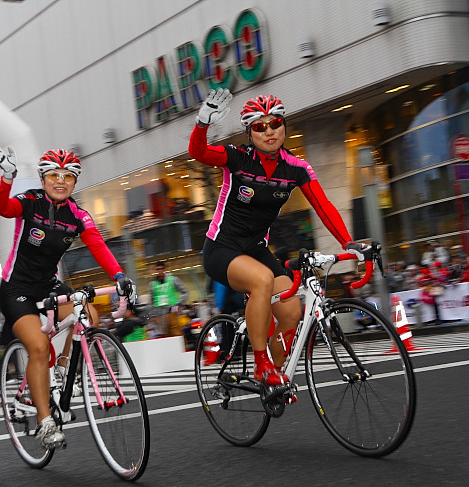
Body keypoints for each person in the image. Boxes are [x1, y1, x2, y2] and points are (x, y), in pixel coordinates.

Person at [189, 89, 365, 387]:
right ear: (250, 132)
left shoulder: (296, 169)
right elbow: (199, 152)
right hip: (222, 249)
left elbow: (323, 206)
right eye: (259, 126)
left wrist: (349, 243)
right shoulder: (237, 159)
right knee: (262, 280)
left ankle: (274, 377)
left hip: (256, 250)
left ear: (284, 125)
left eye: (275, 124)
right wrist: (203, 122)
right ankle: (260, 364)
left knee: (292, 311)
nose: (269, 131)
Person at [0, 141, 138, 449]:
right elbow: (1, 208)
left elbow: (98, 245)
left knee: (89, 314)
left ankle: (61, 369)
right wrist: (6, 177)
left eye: (68, 176)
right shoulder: (29, 202)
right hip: (17, 289)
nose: (60, 180)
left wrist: (120, 276)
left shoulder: (78, 215)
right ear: (43, 179)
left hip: (48, 286)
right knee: (40, 346)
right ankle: (45, 423)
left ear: (74, 182)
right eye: (54, 174)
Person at [150, 260, 189, 337]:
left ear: (165, 269)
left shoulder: (173, 280)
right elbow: (152, 301)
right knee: (165, 337)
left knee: (176, 335)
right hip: (160, 315)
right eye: (158, 269)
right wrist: (153, 315)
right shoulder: (152, 284)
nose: (160, 271)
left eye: (161, 269)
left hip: (172, 312)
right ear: (155, 270)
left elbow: (185, 292)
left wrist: (179, 304)